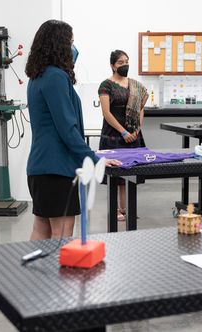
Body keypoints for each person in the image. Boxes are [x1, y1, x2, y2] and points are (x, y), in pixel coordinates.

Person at [25, 20, 121, 240]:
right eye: (70, 42)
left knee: (41, 229)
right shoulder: (56, 77)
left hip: (39, 168)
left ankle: (30, 276)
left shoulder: (37, 76)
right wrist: (94, 159)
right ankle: (58, 276)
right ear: (58, 44)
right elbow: (67, 129)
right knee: (63, 235)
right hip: (57, 169)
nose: (73, 47)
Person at [98, 50, 149, 221]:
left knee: (131, 172)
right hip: (114, 134)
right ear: (113, 65)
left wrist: (136, 129)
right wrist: (123, 131)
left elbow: (140, 108)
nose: (124, 65)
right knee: (115, 175)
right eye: (120, 62)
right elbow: (106, 113)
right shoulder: (106, 86)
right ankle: (115, 210)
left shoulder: (135, 85)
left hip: (133, 134)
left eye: (126, 61)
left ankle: (126, 209)